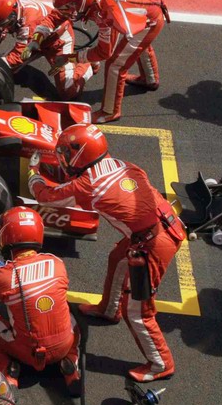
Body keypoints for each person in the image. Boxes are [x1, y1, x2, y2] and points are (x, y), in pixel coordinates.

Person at [28, 123, 184, 382]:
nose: (64, 158)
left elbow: (46, 196)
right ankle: (108, 310)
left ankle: (160, 363)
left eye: (67, 153)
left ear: (80, 155)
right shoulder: (122, 164)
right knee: (117, 258)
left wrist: (34, 173)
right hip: (162, 226)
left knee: (138, 312)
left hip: (151, 245)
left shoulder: (87, 186)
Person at [0, 206, 81, 395]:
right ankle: (71, 364)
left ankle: (6, 370)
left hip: (27, 352)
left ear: (5, 234)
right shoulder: (57, 263)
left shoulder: (3, 277)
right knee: (72, 317)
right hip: (62, 346)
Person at [40, 0, 167, 123]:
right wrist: (39, 34)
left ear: (80, 2)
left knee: (115, 64)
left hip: (148, 20)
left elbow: (104, 52)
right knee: (138, 45)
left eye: (68, 7)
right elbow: (57, 15)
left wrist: (70, 58)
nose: (66, 12)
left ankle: (109, 111)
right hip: (140, 11)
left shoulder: (103, 12)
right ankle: (149, 79)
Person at [0, 0, 94, 99]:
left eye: (5, 24)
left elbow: (19, 55)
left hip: (58, 41)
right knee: (6, 70)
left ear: (14, 14)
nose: (2, 29)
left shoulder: (29, 21)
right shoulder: (10, 9)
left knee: (68, 92)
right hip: (35, 40)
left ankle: (88, 64)